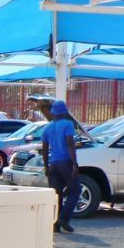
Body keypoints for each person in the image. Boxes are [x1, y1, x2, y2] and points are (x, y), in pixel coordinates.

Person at [41, 100, 80, 233]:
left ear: (52, 113)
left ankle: (55, 224)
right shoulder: (68, 124)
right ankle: (64, 218)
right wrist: (74, 163)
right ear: (64, 112)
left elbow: (44, 149)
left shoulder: (47, 128)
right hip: (65, 163)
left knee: (56, 195)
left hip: (53, 164)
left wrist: (46, 167)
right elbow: (70, 144)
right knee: (75, 191)